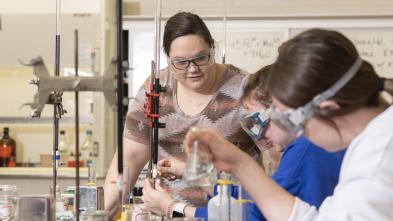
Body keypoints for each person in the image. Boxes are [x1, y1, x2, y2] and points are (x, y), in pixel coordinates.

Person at [184, 28, 393, 221]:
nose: (296, 134)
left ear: (328, 109)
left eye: (290, 120)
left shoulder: (376, 165)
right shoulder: (374, 139)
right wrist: (239, 164)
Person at [142, 65, 345, 220]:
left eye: (257, 121)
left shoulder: (303, 152)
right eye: (249, 125)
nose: (257, 134)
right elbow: (255, 197)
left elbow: (252, 215)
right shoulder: (304, 148)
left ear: (283, 110)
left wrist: (172, 207)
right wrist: (195, 174)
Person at [104, 11, 258, 213]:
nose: (192, 69)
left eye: (200, 58)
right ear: (168, 58)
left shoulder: (244, 90)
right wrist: (100, 213)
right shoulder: (155, 89)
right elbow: (129, 159)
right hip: (167, 213)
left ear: (212, 48)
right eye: (181, 62)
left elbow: (275, 163)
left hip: (230, 214)